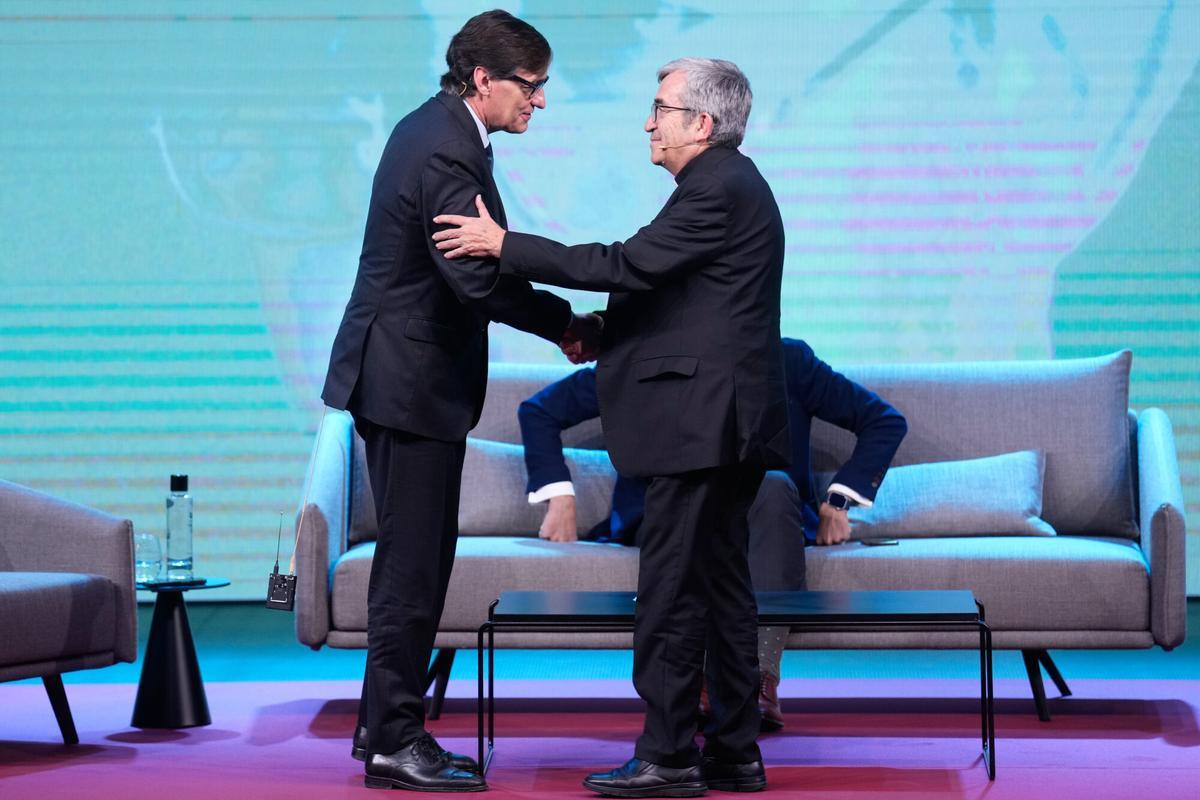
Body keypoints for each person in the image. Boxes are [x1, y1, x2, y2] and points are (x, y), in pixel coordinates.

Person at [434, 57, 789, 798]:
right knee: (722, 590)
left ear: (702, 122)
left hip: (703, 429)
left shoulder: (718, 186)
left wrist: (504, 245)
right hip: (721, 427)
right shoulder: (724, 185)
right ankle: (733, 750)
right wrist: (596, 331)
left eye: (661, 108)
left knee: (672, 595)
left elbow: (624, 265)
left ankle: (668, 756)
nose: (648, 123)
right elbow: (673, 298)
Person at [321, 10, 600, 793]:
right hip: (408, 382)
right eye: (531, 85)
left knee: (415, 560)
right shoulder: (446, 147)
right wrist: (566, 325)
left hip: (404, 377)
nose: (539, 100)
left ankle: (381, 725)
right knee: (414, 569)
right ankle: (395, 743)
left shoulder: (440, 130)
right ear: (484, 79)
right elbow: (477, 276)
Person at [518, 338, 907, 731]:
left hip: (765, 513)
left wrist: (838, 501)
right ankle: (701, 680)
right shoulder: (645, 357)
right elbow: (540, 411)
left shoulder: (785, 358)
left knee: (770, 485)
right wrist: (560, 497)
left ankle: (759, 678)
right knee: (692, 493)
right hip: (668, 506)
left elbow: (883, 421)